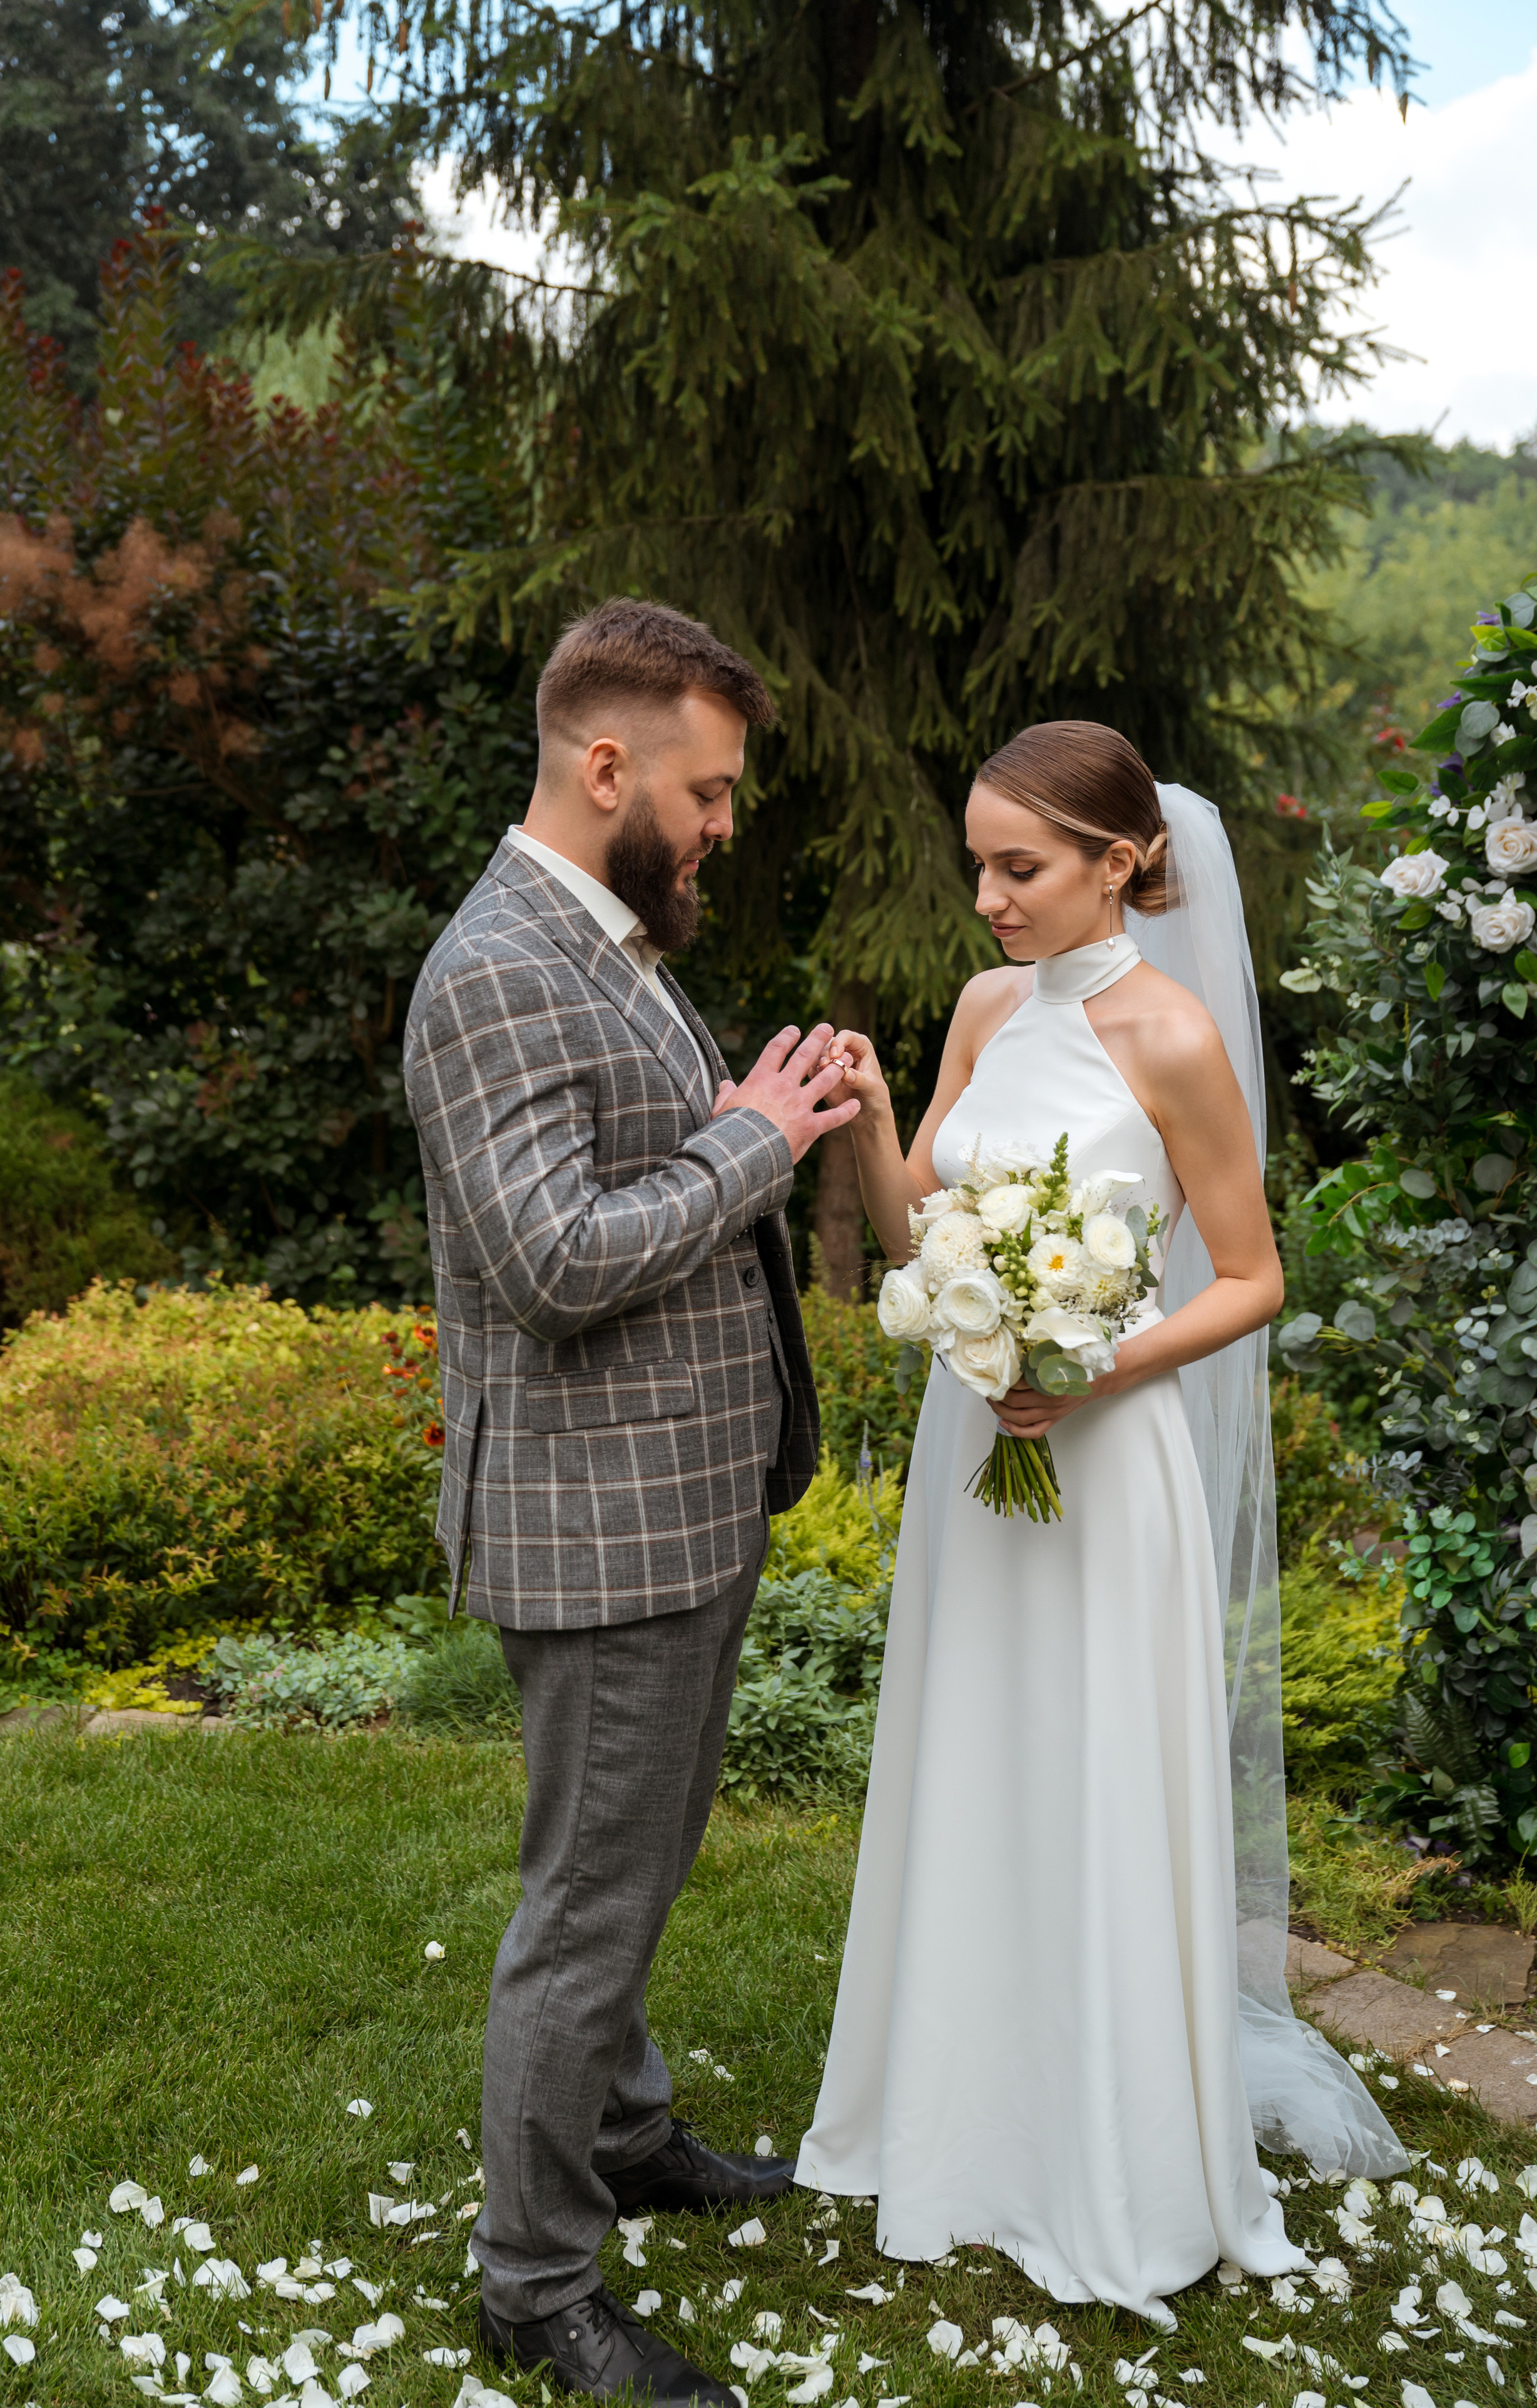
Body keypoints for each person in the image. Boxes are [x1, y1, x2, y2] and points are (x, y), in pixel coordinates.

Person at [795, 721, 1404, 2323]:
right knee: (974, 1756)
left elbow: (1253, 1279)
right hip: (975, 1449)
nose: (987, 899)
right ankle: (955, 2121)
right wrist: (871, 1118)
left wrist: (1092, 1365)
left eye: (1019, 867)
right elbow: (917, 1229)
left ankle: (1106, 2144)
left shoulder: (1173, 1037)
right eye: (978, 866)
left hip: (1104, 1447)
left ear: (1116, 862)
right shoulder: (983, 1009)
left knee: (1091, 1768)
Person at [403, 597, 857, 2407]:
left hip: (680, 1500)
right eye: (709, 790)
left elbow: (623, 1168)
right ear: (608, 766)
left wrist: (736, 1111)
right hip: (598, 1529)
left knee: (636, 1863)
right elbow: (552, 1262)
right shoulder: (497, 966)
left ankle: (627, 2130)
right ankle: (533, 2283)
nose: (724, 824)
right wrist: (760, 1140)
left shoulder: (603, 935)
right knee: (587, 1907)